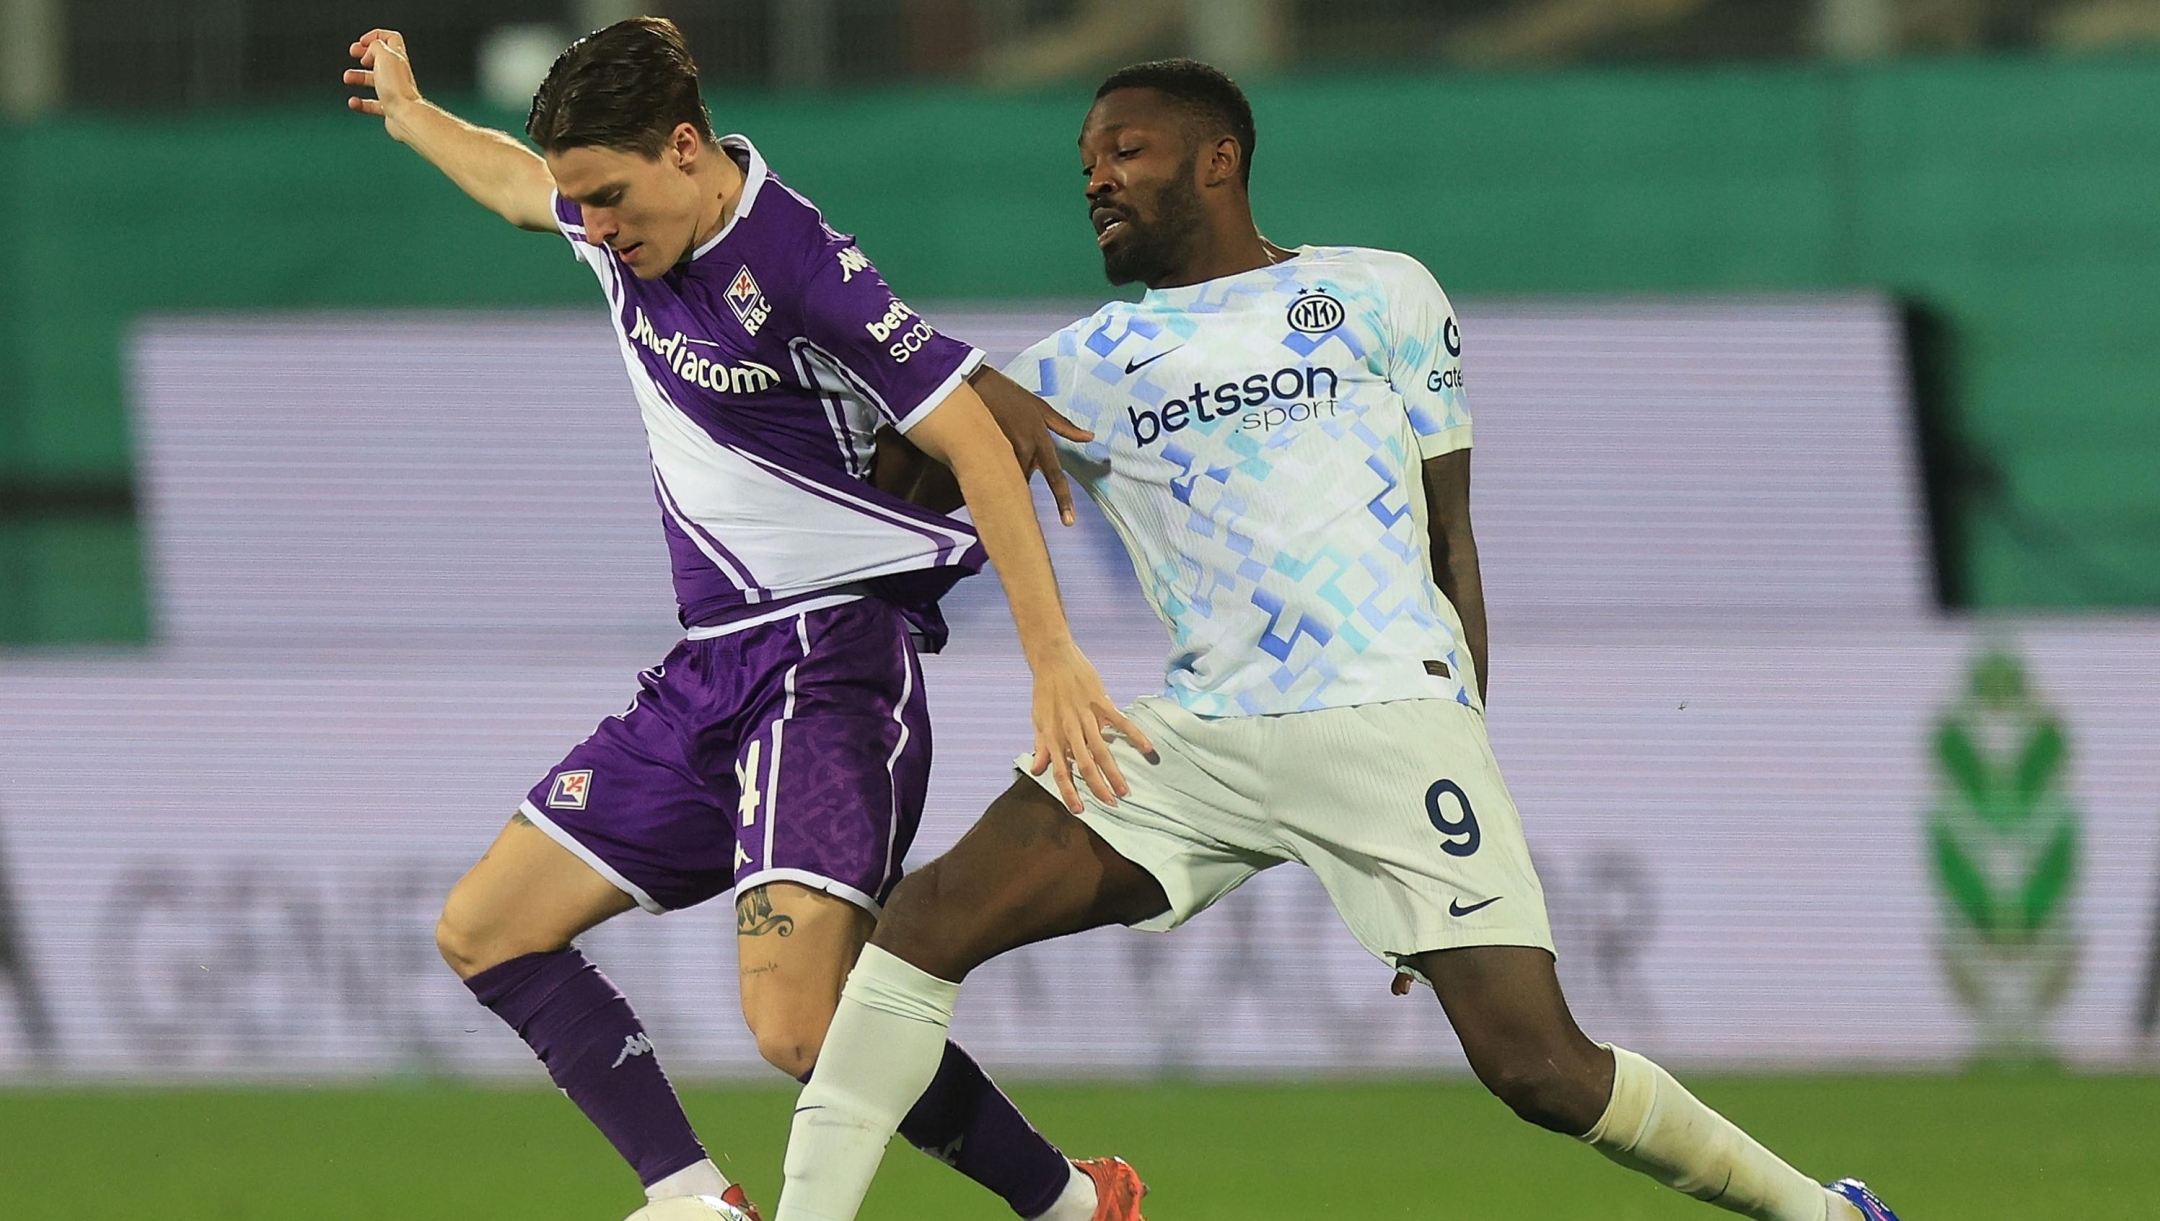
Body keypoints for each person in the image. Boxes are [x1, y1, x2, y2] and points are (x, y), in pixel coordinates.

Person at [772, 59, 1905, 1221]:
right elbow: (902, 476)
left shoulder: (1382, 294)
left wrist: (1461, 738)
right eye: (1087, 165)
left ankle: (1824, 1213)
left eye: (1127, 152)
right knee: (921, 924)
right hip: (1201, 735)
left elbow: (1451, 545)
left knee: (1539, 1072)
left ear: (1219, 161)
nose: (1099, 179)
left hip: (1389, 722)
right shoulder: (1080, 364)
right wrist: (898, 359)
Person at [343, 20, 1148, 1221]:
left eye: (611, 198)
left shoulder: (799, 262)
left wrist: (1052, 656)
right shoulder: (627, 227)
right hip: (710, 667)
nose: (597, 228)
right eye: (586, 204)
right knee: (489, 930)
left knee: (798, 1030)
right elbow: (521, 189)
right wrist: (412, 115)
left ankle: (1075, 1205)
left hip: (828, 663)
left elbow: (975, 435)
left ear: (684, 148)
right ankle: (689, 1199)